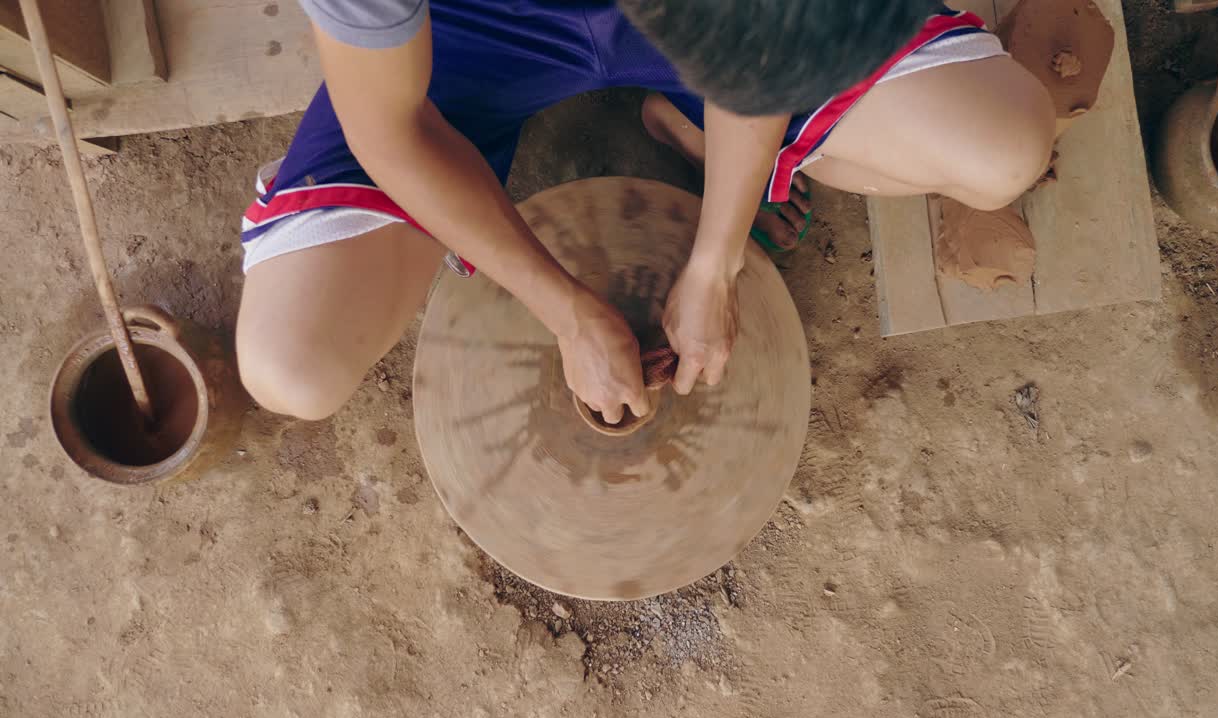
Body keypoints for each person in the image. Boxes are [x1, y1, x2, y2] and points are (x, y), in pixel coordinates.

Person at [237, 0, 1054, 423]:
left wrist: (715, 262)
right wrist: (570, 315)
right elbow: (395, 133)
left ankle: (698, 125)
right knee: (290, 367)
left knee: (1003, 150)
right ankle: (738, 141)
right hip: (464, 34)